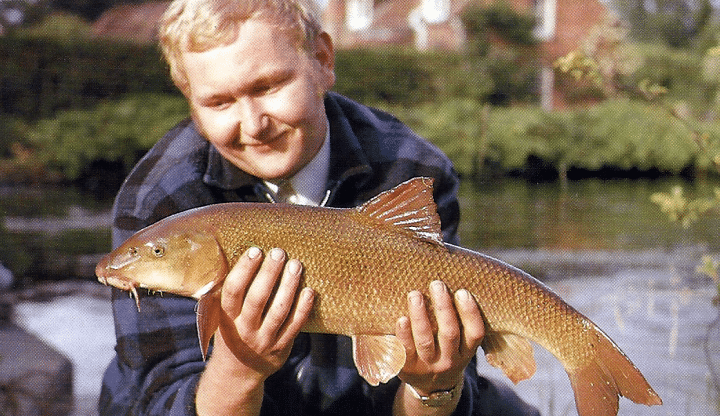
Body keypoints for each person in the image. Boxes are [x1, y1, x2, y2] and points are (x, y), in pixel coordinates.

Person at [99, 0, 540, 415]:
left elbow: (444, 398)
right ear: (191, 104)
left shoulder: (409, 168)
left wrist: (433, 385)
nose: (254, 125)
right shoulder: (157, 201)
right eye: (219, 102)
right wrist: (239, 369)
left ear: (323, 61)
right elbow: (163, 396)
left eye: (268, 86)